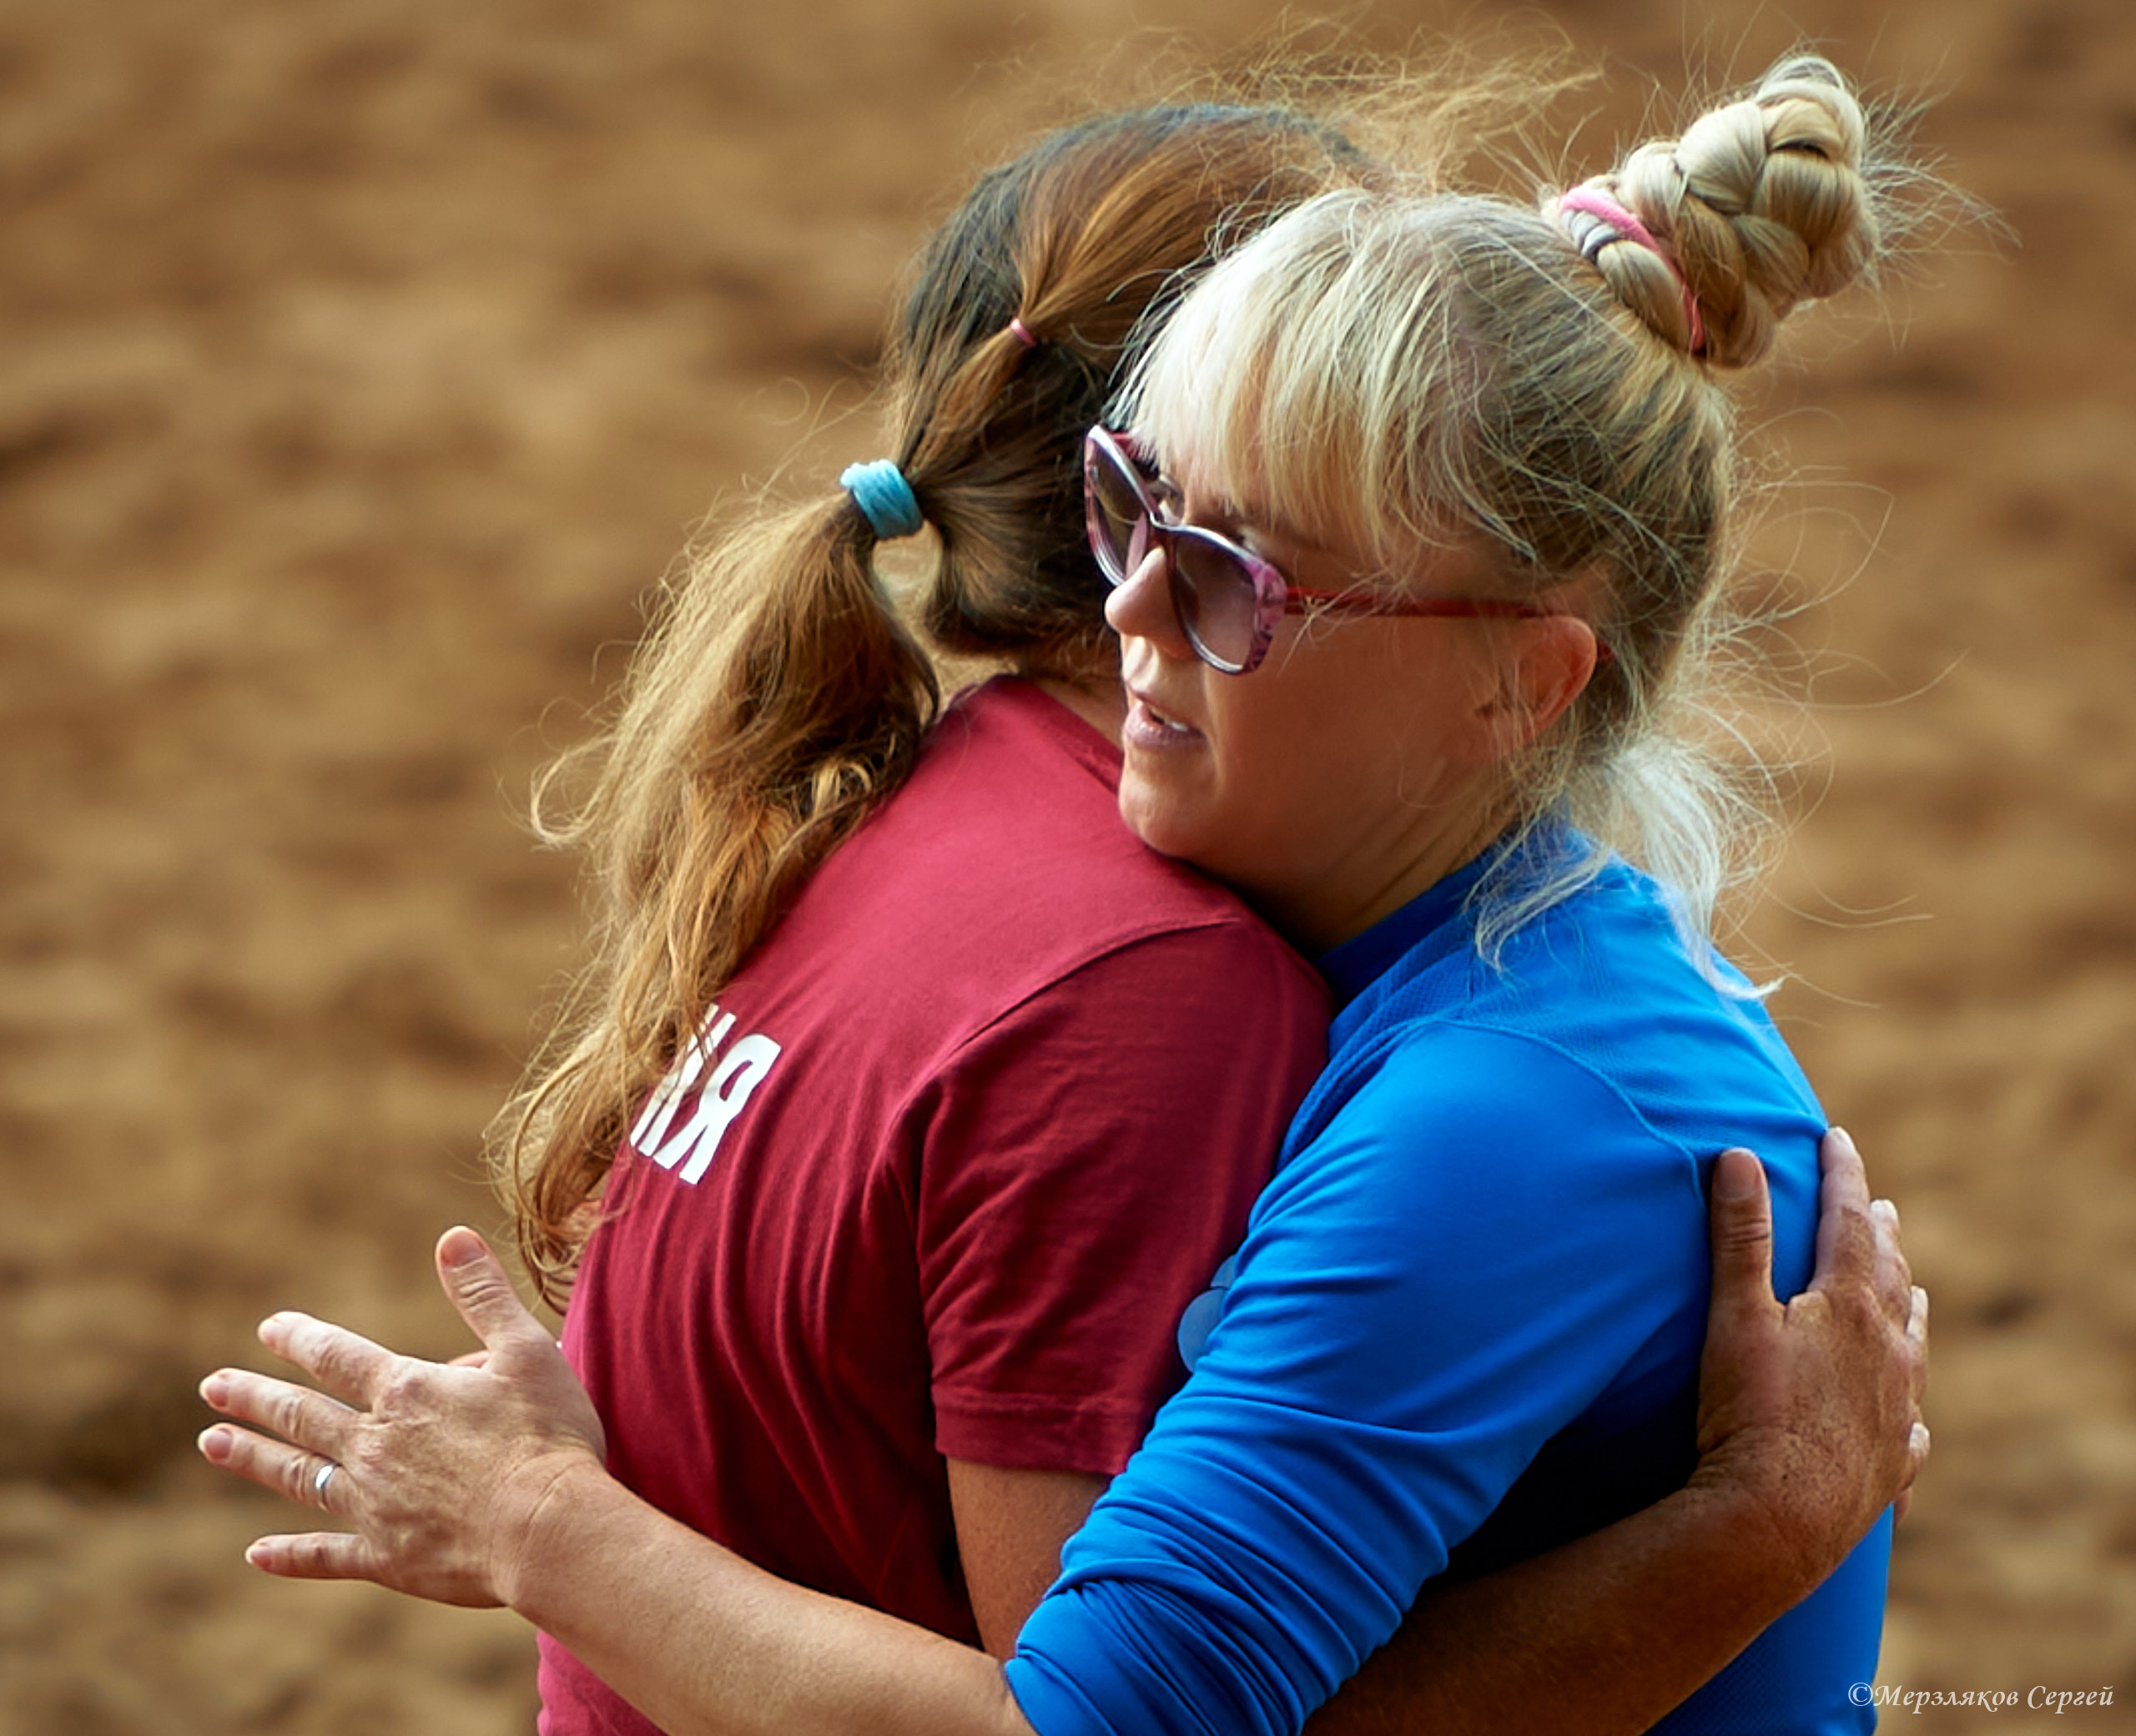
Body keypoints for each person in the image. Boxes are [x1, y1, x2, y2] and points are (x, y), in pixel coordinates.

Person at [199, 58, 1932, 1736]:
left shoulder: (1471, 1110)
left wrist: (533, 1520)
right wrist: (1748, 1535)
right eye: (1138, 511)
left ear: (1518, 685)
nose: (1133, 613)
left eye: (1240, 583)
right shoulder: (1419, 982)